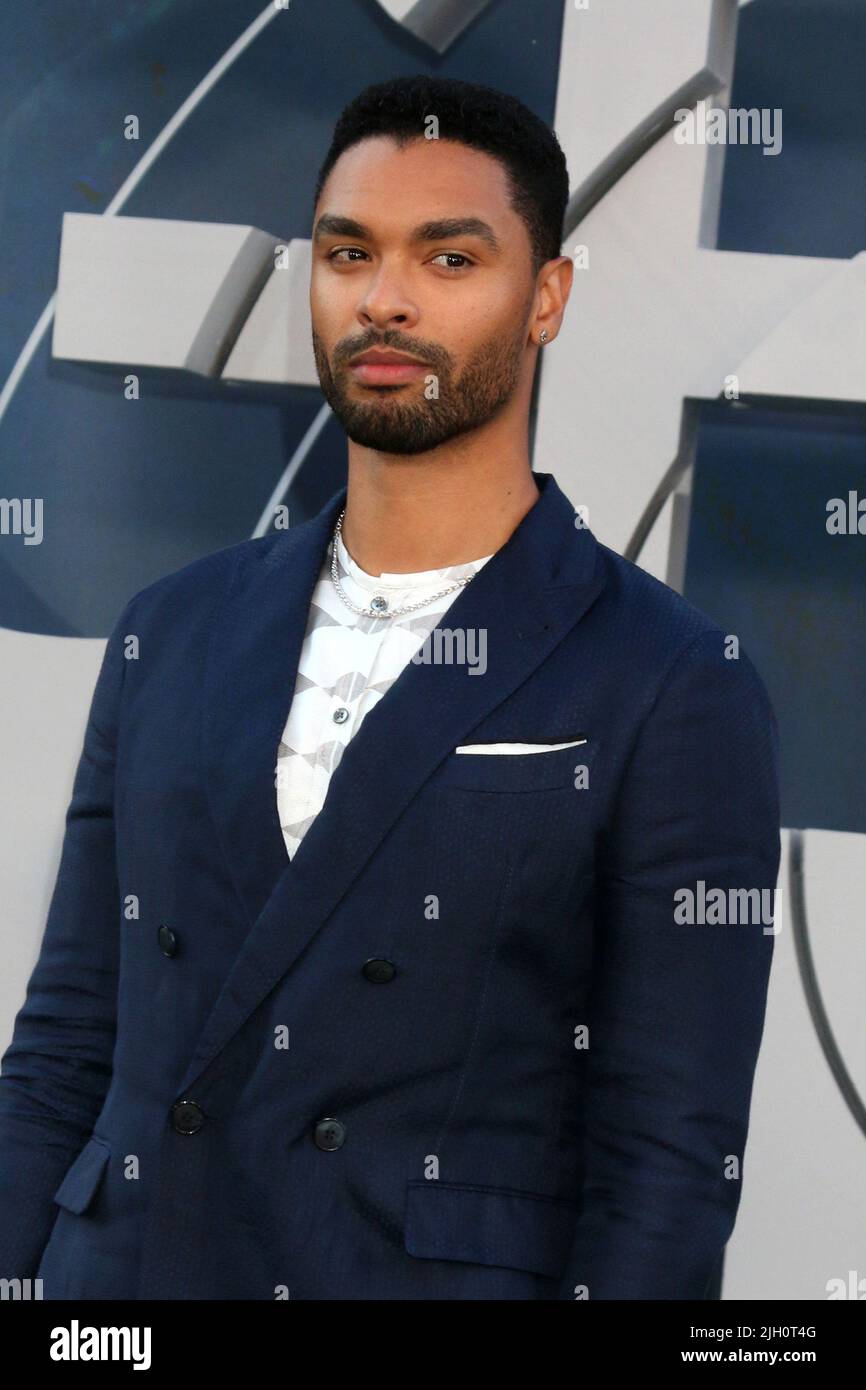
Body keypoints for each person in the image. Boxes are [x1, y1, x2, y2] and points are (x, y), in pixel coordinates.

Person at [0, 75, 780, 1301]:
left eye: (450, 258)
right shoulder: (172, 629)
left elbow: (665, 1165)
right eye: (347, 251)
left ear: (546, 299)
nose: (384, 299)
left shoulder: (669, 683)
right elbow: (62, 1052)